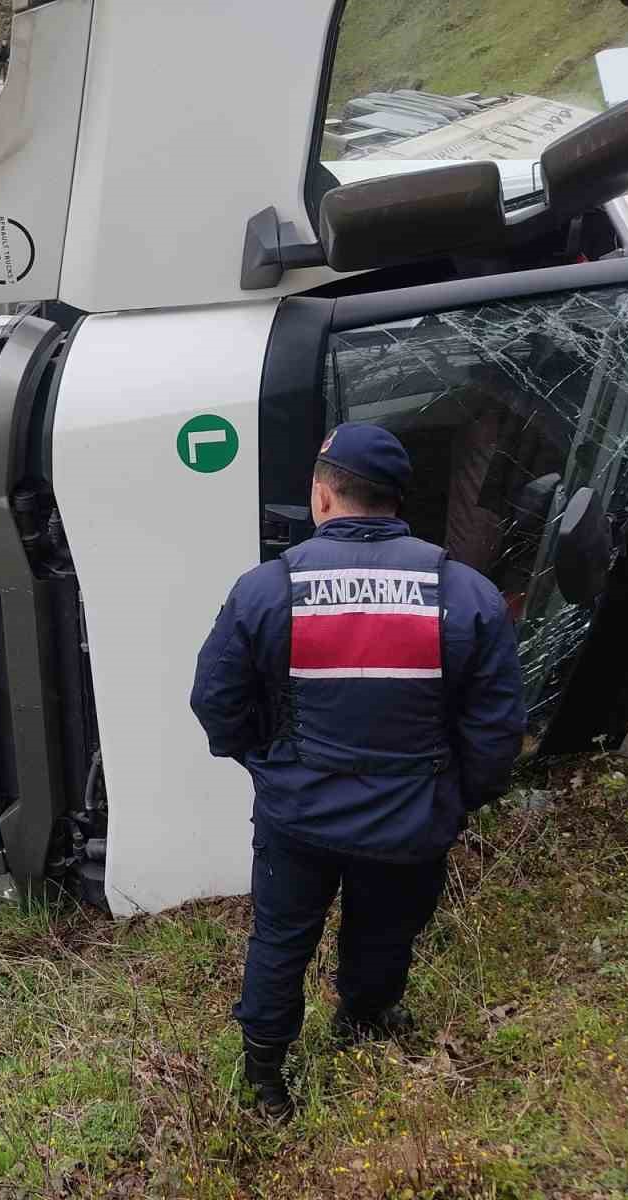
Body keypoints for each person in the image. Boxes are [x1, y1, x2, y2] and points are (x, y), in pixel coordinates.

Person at [190, 423, 525, 1122]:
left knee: (282, 939)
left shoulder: (265, 590)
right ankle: (365, 1022)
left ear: (321, 495)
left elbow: (215, 702)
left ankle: (265, 1080)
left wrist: (267, 762)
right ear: (398, 500)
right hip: (411, 818)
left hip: (297, 817)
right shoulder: (466, 594)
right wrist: (459, 796)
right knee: (384, 931)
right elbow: (495, 731)